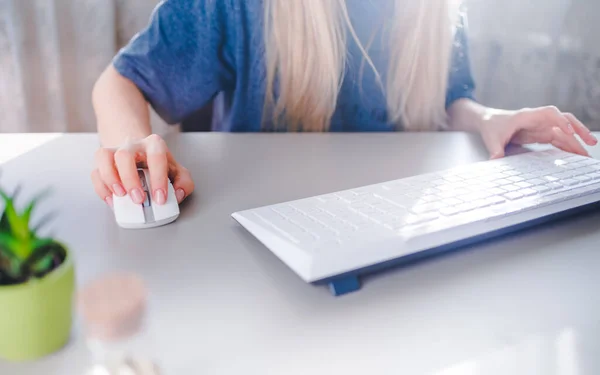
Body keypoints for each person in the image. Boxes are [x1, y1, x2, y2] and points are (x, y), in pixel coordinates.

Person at [91, 0, 598, 208]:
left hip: (396, 216)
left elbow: (445, 99)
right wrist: (130, 143)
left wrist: (489, 118)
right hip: (256, 218)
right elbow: (121, 81)